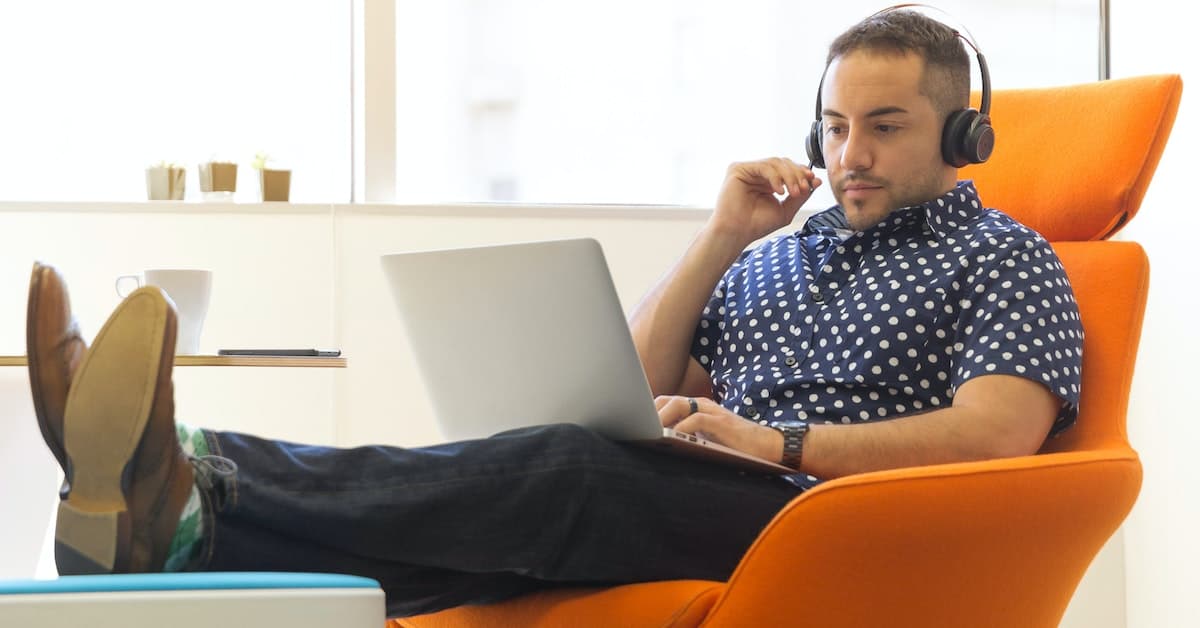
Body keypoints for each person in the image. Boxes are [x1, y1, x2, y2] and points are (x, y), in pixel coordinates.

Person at [27, 8, 1082, 619]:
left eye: (885, 127)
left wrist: (775, 439)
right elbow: (619, 384)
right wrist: (720, 238)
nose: (849, 156)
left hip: (828, 521)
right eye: (836, 127)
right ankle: (166, 540)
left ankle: (198, 472)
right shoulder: (777, 255)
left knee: (563, 473)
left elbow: (1000, 432)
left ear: (963, 137)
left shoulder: (1003, 255)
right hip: (712, 494)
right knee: (468, 541)